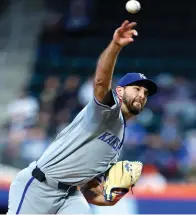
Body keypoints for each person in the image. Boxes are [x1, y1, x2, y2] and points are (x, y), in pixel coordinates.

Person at [7, 20, 157, 214]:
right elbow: (101, 82)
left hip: (69, 195)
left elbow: (89, 190)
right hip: (39, 187)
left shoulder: (119, 139)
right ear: (119, 91)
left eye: (146, 93)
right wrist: (115, 45)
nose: (142, 95)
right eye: (136, 89)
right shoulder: (107, 111)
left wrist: (110, 198)